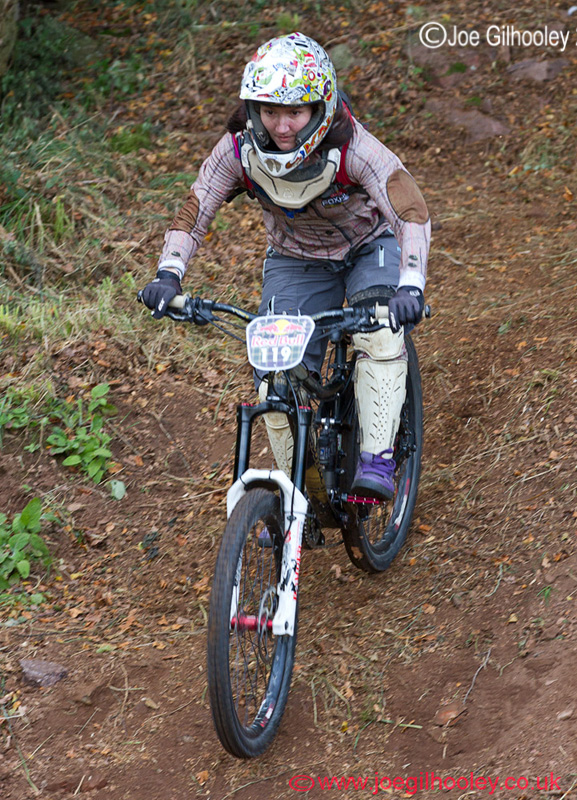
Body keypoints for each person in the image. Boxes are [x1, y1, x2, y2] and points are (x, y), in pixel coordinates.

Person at [141, 32, 430, 501]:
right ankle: (301, 492)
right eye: (270, 111)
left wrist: (411, 283)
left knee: (379, 332)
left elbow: (409, 209)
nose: (281, 126)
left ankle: (377, 458)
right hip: (295, 257)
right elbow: (196, 208)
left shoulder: (353, 147)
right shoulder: (238, 150)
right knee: (273, 378)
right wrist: (168, 273)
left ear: (319, 107)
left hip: (369, 245)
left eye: (294, 112)